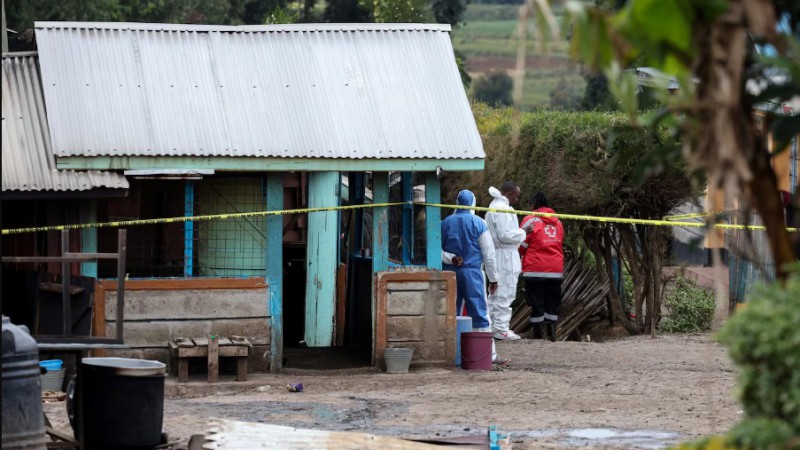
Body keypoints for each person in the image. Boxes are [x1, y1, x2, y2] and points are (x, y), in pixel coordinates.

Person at [441, 190, 508, 365]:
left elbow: (434, 250)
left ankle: (450, 355)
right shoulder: (479, 223)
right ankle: (488, 355)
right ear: (473, 204)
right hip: (473, 274)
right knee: (480, 313)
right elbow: (489, 254)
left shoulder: (445, 223)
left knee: (450, 313)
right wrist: (493, 279)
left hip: (449, 274)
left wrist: (451, 259)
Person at [519, 192, 564, 342]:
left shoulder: (529, 220)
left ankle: (538, 335)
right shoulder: (558, 222)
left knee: (536, 301)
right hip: (555, 269)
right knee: (552, 301)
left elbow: (521, 244)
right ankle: (552, 332)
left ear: (533, 204)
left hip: (534, 269)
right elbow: (559, 242)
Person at [485, 182, 526, 340]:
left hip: (499, 254)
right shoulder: (503, 209)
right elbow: (505, 235)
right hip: (505, 256)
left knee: (496, 293)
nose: (517, 199)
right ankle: (501, 328)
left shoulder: (493, 207)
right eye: (516, 195)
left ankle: (491, 326)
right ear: (509, 194)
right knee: (505, 292)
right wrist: (523, 232)